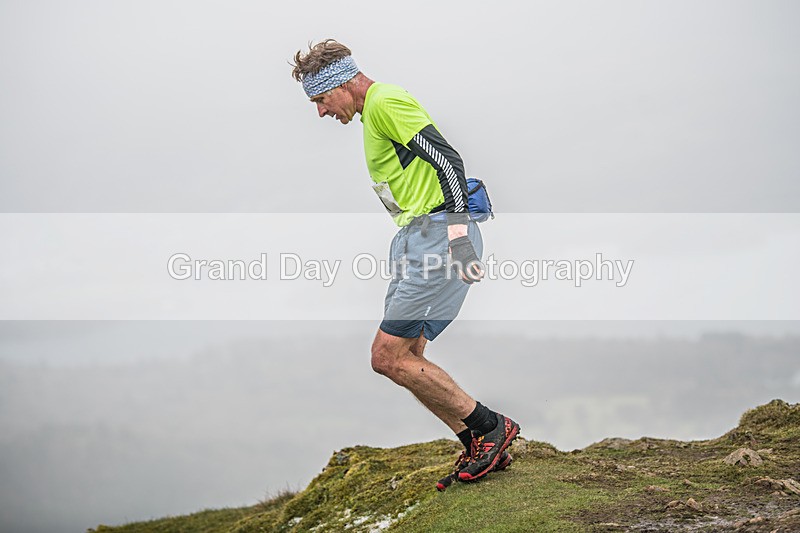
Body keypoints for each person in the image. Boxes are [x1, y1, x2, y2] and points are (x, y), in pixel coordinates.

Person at [291, 39, 519, 490]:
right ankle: (474, 441)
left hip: (438, 235)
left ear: (339, 84)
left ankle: (492, 428)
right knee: (407, 355)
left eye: (319, 100)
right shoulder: (374, 112)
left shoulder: (384, 102)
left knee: (386, 357)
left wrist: (457, 238)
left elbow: (449, 162)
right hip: (417, 238)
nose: (320, 112)